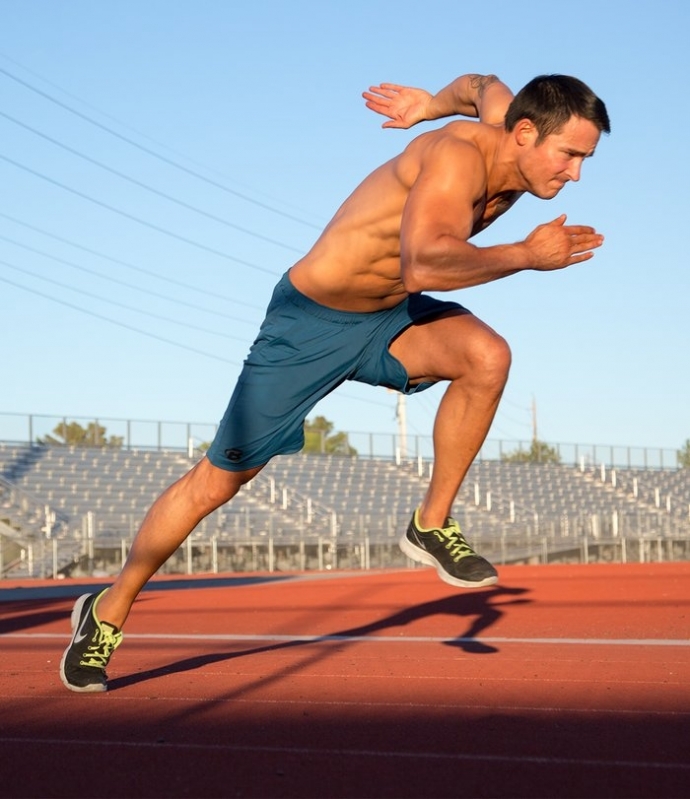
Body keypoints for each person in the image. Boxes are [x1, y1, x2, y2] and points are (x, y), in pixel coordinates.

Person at [60, 72, 610, 692]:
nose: (576, 174)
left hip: (389, 316)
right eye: (570, 155)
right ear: (527, 134)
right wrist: (526, 255)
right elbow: (424, 261)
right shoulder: (459, 159)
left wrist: (427, 103)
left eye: (585, 159)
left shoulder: (508, 117)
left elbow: (481, 83)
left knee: (487, 356)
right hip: (310, 323)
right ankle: (108, 610)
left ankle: (431, 523)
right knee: (218, 482)